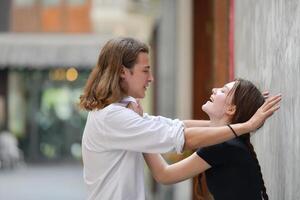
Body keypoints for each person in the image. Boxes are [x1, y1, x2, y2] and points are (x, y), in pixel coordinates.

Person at [79, 37, 281, 200]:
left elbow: (177, 130)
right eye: (145, 71)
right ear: (123, 72)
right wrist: (245, 124)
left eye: (222, 90)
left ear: (231, 109)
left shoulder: (118, 111)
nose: (151, 78)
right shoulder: (115, 116)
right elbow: (180, 139)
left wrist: (245, 123)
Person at [143, 79, 275, 200]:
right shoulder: (230, 142)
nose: (214, 90)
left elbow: (165, 175)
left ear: (231, 109)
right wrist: (245, 113)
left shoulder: (223, 145)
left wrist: (140, 135)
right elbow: (180, 126)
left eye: (223, 91)